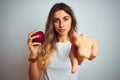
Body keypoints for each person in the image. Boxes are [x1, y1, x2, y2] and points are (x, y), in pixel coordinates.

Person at [27, 2, 98, 80]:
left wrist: (89, 46)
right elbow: (34, 79)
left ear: (72, 20)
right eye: (56, 20)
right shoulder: (44, 44)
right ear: (52, 23)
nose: (61, 25)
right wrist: (34, 53)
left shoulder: (76, 43)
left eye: (66, 19)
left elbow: (86, 45)